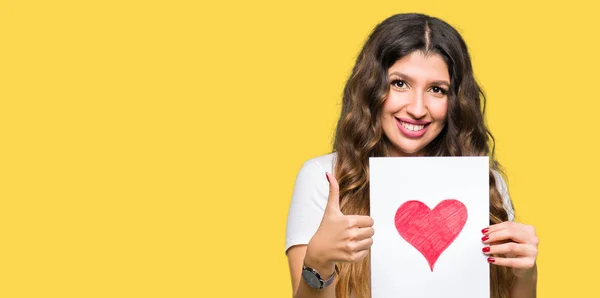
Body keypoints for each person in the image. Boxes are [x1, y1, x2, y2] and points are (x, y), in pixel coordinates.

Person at [285, 13, 539, 298]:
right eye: (399, 84)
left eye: (436, 90)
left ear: (454, 100)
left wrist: (526, 272)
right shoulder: (325, 177)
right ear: (371, 87)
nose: (418, 109)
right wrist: (319, 261)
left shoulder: (484, 183)